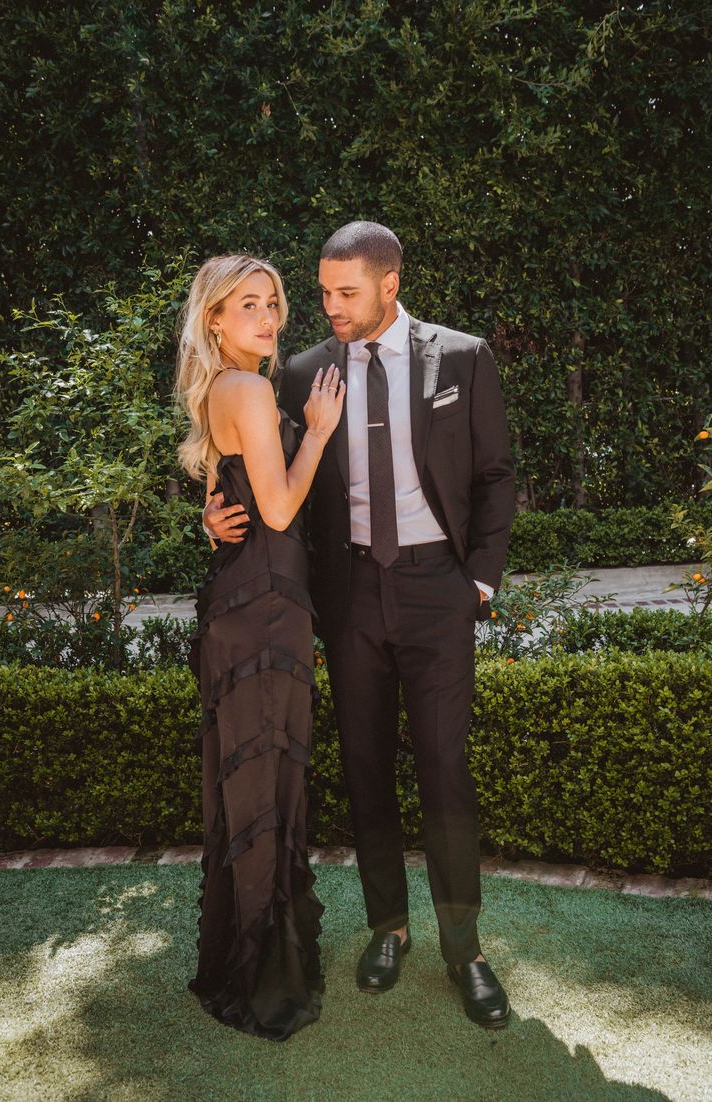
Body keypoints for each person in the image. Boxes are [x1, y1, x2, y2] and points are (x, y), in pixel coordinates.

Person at [204, 223, 516, 1030]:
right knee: (366, 768)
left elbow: (494, 476)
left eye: (344, 293)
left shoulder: (462, 357)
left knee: (444, 768)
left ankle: (464, 948)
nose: (327, 308)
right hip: (348, 600)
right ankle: (388, 928)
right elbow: (250, 465)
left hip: (435, 591)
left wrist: (476, 581)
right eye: (321, 293)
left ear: (389, 282)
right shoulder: (305, 372)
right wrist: (210, 516)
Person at [175, 253, 345, 1041]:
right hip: (266, 609)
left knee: (251, 784)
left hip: (249, 602)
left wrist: (208, 520)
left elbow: (231, 505)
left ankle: (241, 961)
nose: (268, 317)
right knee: (265, 782)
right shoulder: (245, 388)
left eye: (272, 302)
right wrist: (315, 434)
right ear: (213, 318)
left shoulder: (229, 389)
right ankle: (263, 979)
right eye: (248, 305)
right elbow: (276, 511)